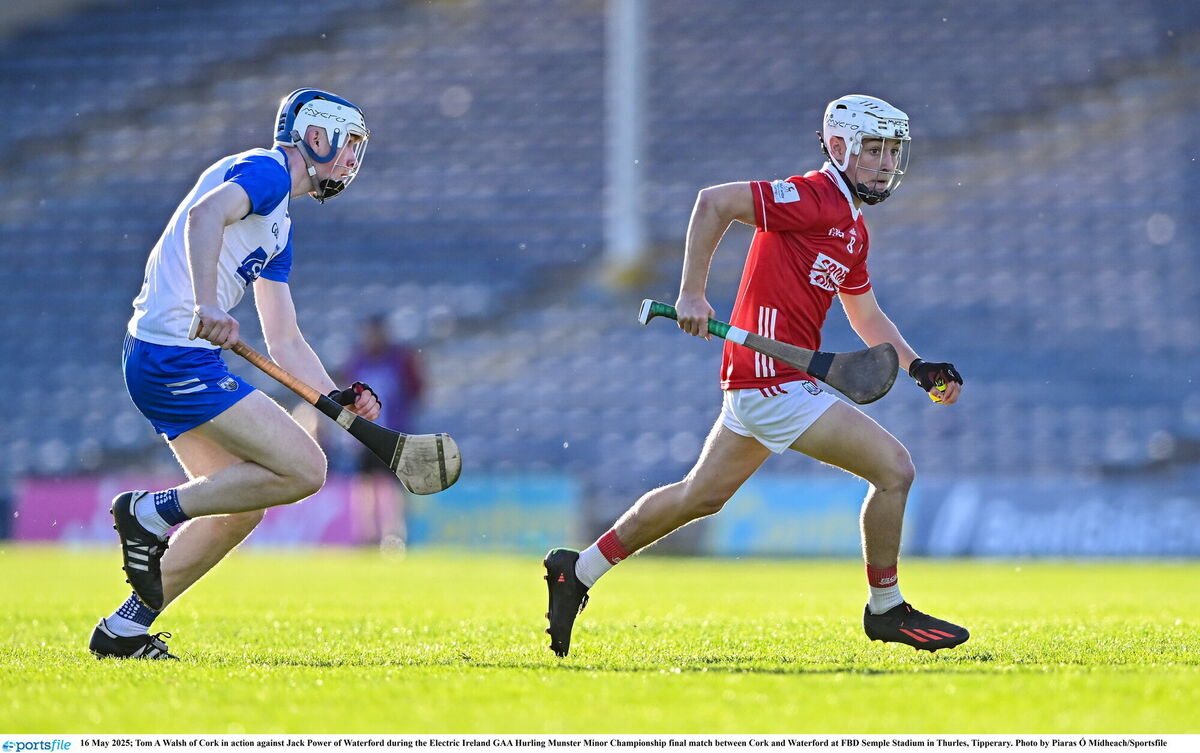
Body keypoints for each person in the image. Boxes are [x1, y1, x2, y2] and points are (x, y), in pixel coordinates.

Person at [544, 95, 968, 657]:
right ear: (838, 148)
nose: (886, 163)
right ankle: (886, 609)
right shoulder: (814, 195)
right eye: (873, 149)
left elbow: (863, 312)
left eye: (893, 151)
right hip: (773, 378)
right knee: (894, 470)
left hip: (766, 378)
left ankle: (579, 569)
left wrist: (915, 365)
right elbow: (713, 202)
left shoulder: (853, 226)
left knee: (700, 496)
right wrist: (692, 291)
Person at [90, 89, 382, 660]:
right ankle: (148, 513)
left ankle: (123, 630)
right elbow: (205, 215)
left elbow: (285, 339)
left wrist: (339, 401)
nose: (352, 160)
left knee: (241, 505)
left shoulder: (280, 226)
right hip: (173, 354)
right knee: (305, 468)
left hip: (167, 359)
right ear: (316, 137)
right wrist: (207, 304)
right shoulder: (267, 171)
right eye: (349, 145)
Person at [340, 315, 424, 552]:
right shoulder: (358, 361)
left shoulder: (399, 360)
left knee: (392, 485)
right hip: (363, 433)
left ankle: (394, 535)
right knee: (365, 484)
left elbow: (416, 389)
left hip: (392, 432)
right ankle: (367, 534)